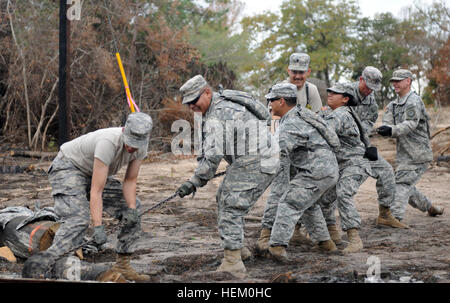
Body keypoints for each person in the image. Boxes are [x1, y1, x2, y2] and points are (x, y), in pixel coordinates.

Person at [22, 112, 153, 281]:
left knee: (134, 209)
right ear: (124, 131)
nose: (131, 148)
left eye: (136, 145)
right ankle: (47, 263)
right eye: (129, 142)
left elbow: (130, 180)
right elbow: (96, 191)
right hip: (68, 167)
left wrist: (132, 209)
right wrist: (97, 226)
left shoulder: (141, 146)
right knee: (78, 219)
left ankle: (123, 265)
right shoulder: (107, 142)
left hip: (92, 173)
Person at [176, 75, 278, 279]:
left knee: (231, 204)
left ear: (206, 92)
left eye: (194, 101)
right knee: (223, 196)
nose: (192, 107)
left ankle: (233, 263)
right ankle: (238, 249)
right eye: (188, 104)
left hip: (257, 158)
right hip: (253, 157)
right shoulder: (217, 106)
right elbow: (210, 151)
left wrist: (194, 181)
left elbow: (212, 157)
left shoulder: (218, 114)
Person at [258, 82, 340, 262]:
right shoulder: (304, 114)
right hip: (326, 170)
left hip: (315, 172)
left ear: (281, 101)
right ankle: (325, 243)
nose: (269, 105)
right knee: (307, 205)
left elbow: (276, 153)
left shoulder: (291, 124)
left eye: (271, 101)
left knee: (289, 203)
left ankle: (277, 247)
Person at [339, 66, 408, 241]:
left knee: (385, 170)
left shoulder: (372, 102)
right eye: (367, 86)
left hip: (361, 146)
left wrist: (369, 137)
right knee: (342, 183)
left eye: (372, 88)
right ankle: (325, 223)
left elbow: (368, 125)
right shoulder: (343, 92)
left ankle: (384, 214)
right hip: (341, 147)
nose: (369, 91)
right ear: (361, 79)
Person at [377, 69, 444, 221]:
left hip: (418, 155)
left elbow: (410, 124)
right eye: (393, 81)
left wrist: (391, 130)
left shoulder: (413, 101)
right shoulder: (393, 105)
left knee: (402, 183)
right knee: (404, 184)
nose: (395, 83)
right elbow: (386, 123)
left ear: (408, 81)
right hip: (404, 155)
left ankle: (394, 217)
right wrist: (383, 129)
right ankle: (430, 207)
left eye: (398, 80)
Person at [318, 83, 373, 253]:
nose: (330, 94)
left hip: (354, 164)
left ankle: (354, 239)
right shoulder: (336, 112)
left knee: (343, 193)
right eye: (330, 91)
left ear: (345, 99)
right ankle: (333, 233)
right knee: (325, 198)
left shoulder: (340, 115)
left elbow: (323, 134)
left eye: (336, 93)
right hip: (343, 165)